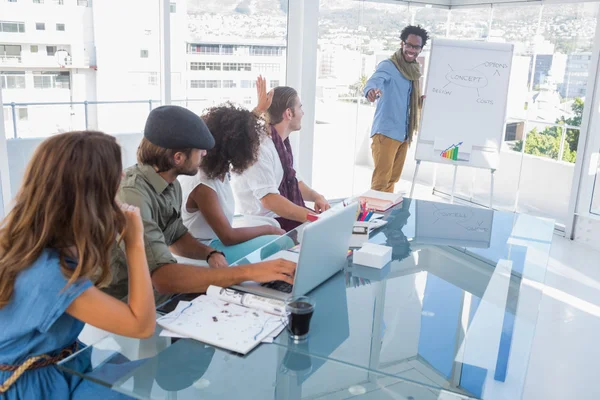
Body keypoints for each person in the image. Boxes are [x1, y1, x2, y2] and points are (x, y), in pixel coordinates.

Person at [0, 131, 155, 399]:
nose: (122, 186)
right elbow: (141, 325)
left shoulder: (26, 242)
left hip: (63, 358)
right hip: (33, 383)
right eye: (115, 184)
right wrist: (135, 243)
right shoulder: (49, 276)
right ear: (92, 199)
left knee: (144, 371)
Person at [105, 105, 296, 306]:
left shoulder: (171, 184)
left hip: (160, 295)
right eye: (200, 150)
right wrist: (249, 272)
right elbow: (162, 278)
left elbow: (176, 235)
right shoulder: (133, 194)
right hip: (128, 302)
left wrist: (209, 253)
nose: (205, 154)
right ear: (178, 158)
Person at [179, 77, 285, 264]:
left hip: (216, 238)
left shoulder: (215, 164)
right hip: (207, 249)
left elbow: (235, 129)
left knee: (273, 225)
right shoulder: (202, 183)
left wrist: (259, 110)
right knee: (279, 240)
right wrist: (267, 230)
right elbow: (228, 236)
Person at [232, 85, 331, 232]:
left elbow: (295, 181)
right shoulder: (260, 148)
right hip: (264, 224)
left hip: (277, 219)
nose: (303, 113)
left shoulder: (283, 145)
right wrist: (313, 217)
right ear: (289, 113)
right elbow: (270, 200)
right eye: (300, 107)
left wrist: (317, 196)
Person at [364, 25, 429, 193]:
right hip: (386, 132)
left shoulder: (414, 71)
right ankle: (372, 217)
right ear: (402, 44)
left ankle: (384, 216)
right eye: (409, 45)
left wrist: (419, 102)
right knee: (381, 182)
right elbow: (374, 81)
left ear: (421, 49)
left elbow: (407, 101)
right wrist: (370, 91)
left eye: (416, 47)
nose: (411, 50)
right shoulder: (389, 65)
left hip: (404, 134)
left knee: (392, 180)